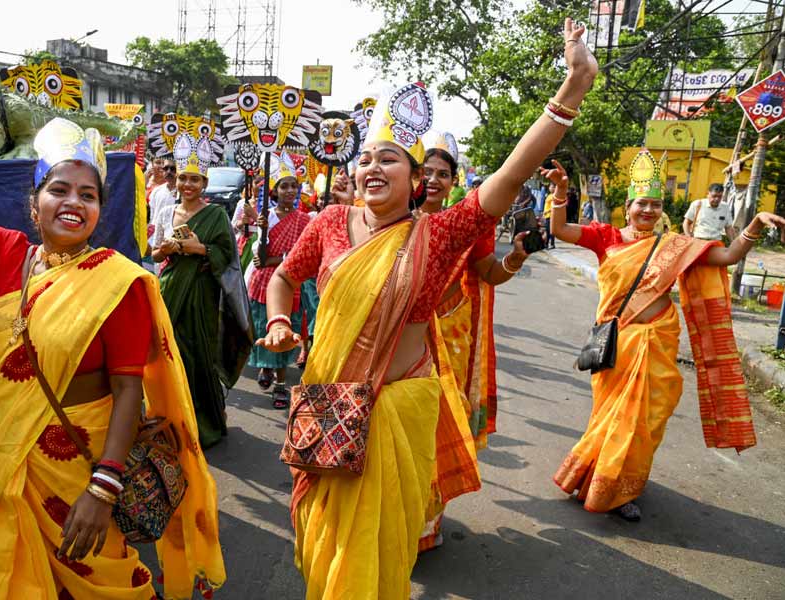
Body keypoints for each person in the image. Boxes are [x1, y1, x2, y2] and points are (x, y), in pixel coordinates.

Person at [256, 19, 597, 597]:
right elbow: (284, 278)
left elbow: (512, 173)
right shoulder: (330, 222)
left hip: (396, 412)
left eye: (388, 159)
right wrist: (280, 320)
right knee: (323, 546)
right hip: (330, 402)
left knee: (376, 552)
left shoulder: (438, 235)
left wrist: (574, 87)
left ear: (416, 179)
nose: (371, 169)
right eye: (364, 159)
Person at [0, 32, 225, 598]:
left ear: (101, 208)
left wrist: (102, 491)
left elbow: (129, 393)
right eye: (59, 190)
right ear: (35, 202)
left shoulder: (118, 283)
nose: (73, 202)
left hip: (79, 472)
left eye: (88, 194)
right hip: (2, 463)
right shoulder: (7, 255)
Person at [550, 150, 784, 522]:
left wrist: (753, 225)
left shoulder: (676, 246)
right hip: (618, 345)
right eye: (642, 203)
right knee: (611, 419)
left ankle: (621, 487)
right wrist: (561, 193)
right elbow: (560, 230)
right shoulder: (605, 236)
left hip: (658, 341)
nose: (648, 210)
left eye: (655, 204)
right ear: (627, 206)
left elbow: (725, 258)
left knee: (645, 422)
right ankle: (595, 476)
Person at [416, 135, 533, 551]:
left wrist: (514, 259)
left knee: (438, 422)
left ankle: (425, 524)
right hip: (403, 336)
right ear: (414, 174)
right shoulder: (391, 218)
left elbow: (488, 272)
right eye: (426, 171)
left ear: (453, 184)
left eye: (442, 175)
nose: (433, 179)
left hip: (452, 334)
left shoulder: (467, 222)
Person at [151, 133, 248, 449]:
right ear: (175, 179)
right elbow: (154, 254)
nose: (188, 184)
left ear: (204, 183)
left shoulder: (217, 214)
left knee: (197, 354)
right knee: (170, 353)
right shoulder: (167, 212)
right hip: (171, 289)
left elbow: (227, 254)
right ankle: (171, 420)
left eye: (194, 179)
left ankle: (202, 423)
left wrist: (200, 249)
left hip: (203, 296)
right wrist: (166, 249)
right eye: (183, 178)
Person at [247, 153, 312, 408]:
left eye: (293, 185)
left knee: (287, 333)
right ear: (274, 190)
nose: (289, 190)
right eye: (283, 186)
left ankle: (281, 384)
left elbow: (298, 254)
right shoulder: (267, 217)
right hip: (262, 284)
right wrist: (259, 230)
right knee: (264, 327)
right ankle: (265, 367)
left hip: (289, 285)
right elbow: (256, 252)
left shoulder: (305, 221)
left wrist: (272, 261)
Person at [543, 182, 557, 249]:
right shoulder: (549, 195)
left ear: (555, 188)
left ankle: (551, 244)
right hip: (547, 215)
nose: (550, 188)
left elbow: (553, 206)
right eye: (550, 187)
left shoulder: (554, 196)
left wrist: (547, 211)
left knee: (550, 230)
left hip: (551, 215)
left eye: (551, 187)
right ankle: (547, 244)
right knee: (548, 230)